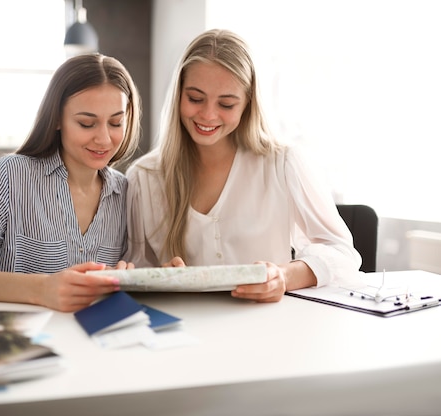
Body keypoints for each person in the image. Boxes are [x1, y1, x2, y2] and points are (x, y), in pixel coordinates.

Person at [126, 29, 361, 302]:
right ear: (178, 94)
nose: (208, 115)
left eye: (226, 103)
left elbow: (342, 253)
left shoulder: (283, 164)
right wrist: (160, 279)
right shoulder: (144, 178)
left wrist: (282, 277)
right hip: (186, 332)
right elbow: (136, 270)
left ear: (247, 103)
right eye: (195, 98)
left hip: (266, 330)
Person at [0, 53, 142, 312]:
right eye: (86, 123)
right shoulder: (12, 175)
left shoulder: (126, 191)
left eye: (116, 122)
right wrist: (42, 289)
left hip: (96, 345)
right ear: (56, 119)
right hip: (23, 343)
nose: (104, 139)